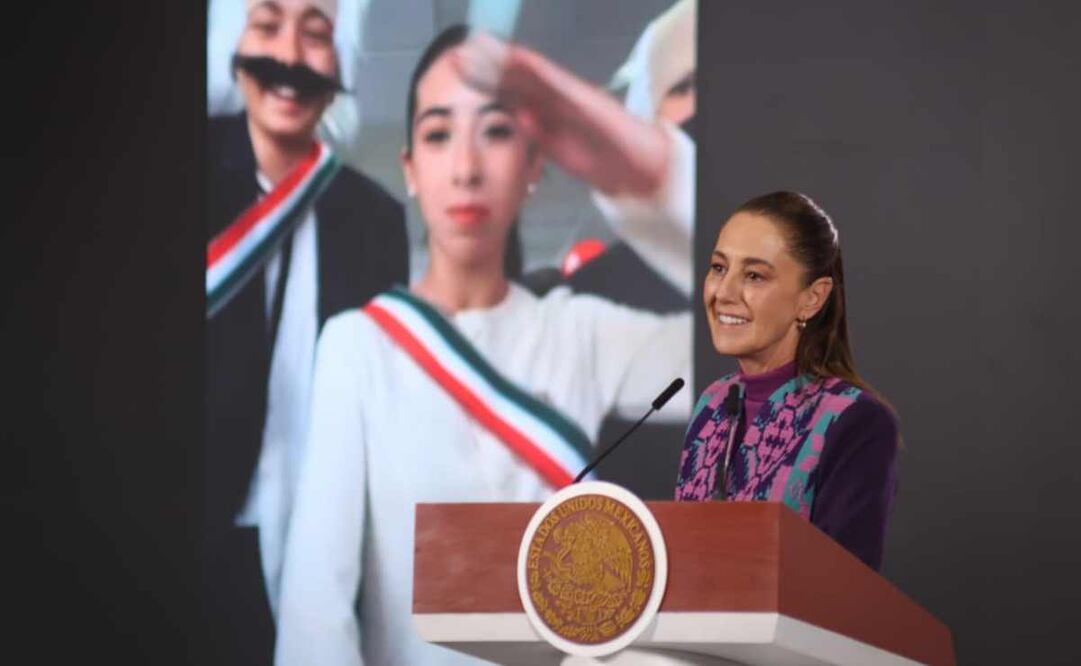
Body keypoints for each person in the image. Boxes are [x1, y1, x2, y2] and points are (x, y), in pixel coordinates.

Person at [274, 25, 692, 666]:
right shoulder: (357, 347)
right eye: (439, 135)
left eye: (495, 132)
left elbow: (760, 348)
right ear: (410, 169)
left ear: (533, 166)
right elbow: (316, 612)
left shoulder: (580, 332)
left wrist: (656, 181)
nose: (466, 168)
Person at [204, 0, 408, 662]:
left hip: (323, 535)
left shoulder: (375, 218)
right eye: (266, 27)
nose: (289, 56)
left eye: (316, 34)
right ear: (230, 46)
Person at [674, 191, 899, 571]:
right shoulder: (712, 406)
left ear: (812, 299)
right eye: (718, 268)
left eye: (754, 276)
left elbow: (843, 592)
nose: (723, 293)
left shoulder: (855, 422)